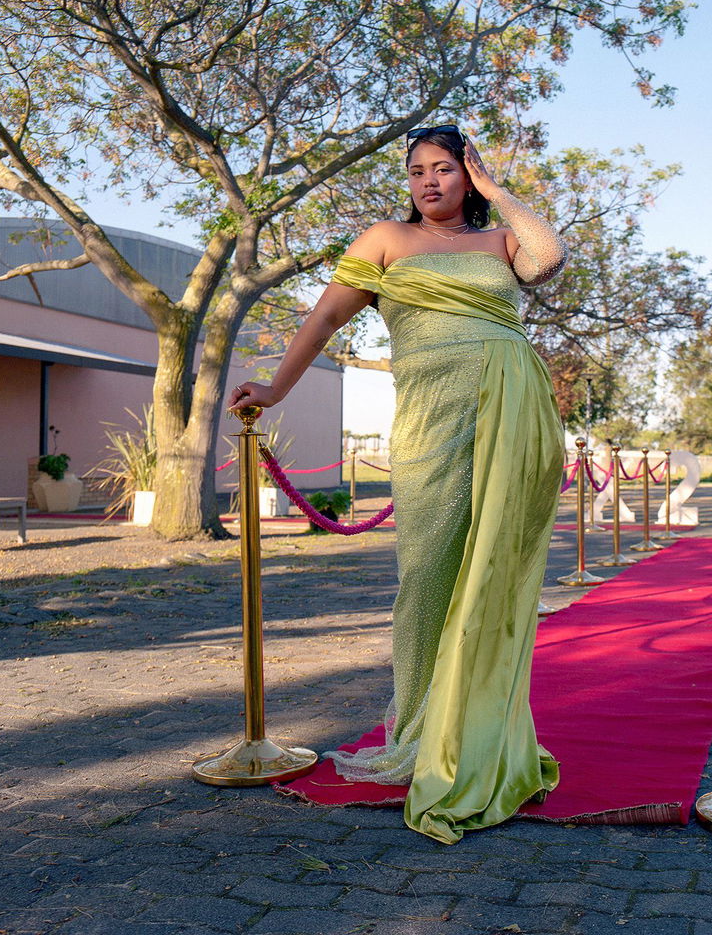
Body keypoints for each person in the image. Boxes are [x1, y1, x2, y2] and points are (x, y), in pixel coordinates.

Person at [229, 124, 567, 844]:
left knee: (496, 575)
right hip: (430, 422)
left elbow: (550, 257)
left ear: (468, 175)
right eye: (417, 170)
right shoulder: (384, 239)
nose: (429, 182)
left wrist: (499, 191)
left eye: (445, 169)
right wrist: (279, 388)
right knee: (426, 576)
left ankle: (480, 733)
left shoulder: (499, 243)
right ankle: (418, 730)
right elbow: (323, 317)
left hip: (512, 409)